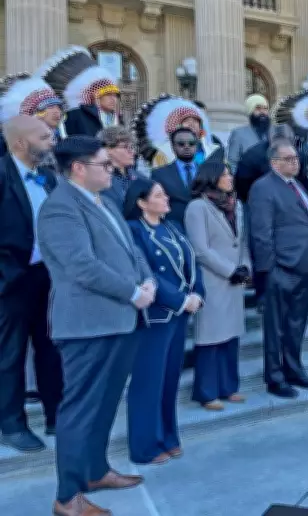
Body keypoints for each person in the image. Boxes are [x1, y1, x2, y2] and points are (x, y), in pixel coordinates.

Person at [38, 135, 154, 516]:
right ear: (78, 168)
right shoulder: (60, 208)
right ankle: (67, 496)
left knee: (105, 405)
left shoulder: (103, 200)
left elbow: (130, 248)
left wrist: (147, 280)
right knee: (80, 410)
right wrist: (132, 293)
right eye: (104, 164)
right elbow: (82, 267)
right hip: (89, 325)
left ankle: (95, 470)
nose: (112, 169)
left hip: (119, 320)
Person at [124, 179, 204, 465]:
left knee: (169, 380)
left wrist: (197, 294)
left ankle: (168, 437)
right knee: (148, 382)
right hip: (155, 315)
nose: (166, 198)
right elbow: (145, 273)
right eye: (159, 195)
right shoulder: (133, 231)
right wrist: (180, 300)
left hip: (179, 314)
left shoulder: (173, 226)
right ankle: (144, 446)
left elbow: (192, 262)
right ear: (142, 203)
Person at [0, 116, 62, 453]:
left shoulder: (49, 178)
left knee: (50, 348)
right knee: (10, 353)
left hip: (47, 276)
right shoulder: (1, 174)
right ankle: (11, 424)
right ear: (21, 143)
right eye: (44, 135)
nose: (52, 139)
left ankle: (56, 415)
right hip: (11, 280)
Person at [249, 139, 308, 398]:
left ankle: (294, 369)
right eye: (289, 159)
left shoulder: (297, 185)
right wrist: (268, 269)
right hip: (279, 269)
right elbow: (261, 233)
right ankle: (275, 377)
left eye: (296, 158)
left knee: (296, 324)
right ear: (274, 162)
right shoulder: (263, 188)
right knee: (276, 327)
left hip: (302, 266)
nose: (295, 162)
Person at [184, 161, 251, 411]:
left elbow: (241, 241)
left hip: (235, 280)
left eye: (230, 172)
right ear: (211, 178)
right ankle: (207, 392)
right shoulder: (197, 207)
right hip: (213, 279)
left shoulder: (236, 204)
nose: (230, 177)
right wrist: (230, 270)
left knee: (230, 336)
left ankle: (228, 387)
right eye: (224, 174)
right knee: (210, 337)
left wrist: (245, 267)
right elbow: (200, 249)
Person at [36, 46, 121, 136]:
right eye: (108, 95)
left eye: (115, 95)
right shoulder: (77, 115)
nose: (113, 99)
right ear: (96, 97)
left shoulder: (117, 118)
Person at [132, 93, 224, 169]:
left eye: (195, 121)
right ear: (178, 125)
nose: (191, 124)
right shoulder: (163, 153)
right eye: (186, 121)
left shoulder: (214, 150)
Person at [0, 73, 65, 160]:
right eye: (50, 107)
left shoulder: (61, 138)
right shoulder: (8, 140)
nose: (57, 112)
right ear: (35, 112)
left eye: (59, 107)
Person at [98, 126, 146, 210]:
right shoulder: (99, 179)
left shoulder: (140, 177)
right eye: (125, 147)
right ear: (108, 149)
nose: (132, 152)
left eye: (132, 147)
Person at [227, 94, 271, 174]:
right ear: (250, 111)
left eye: (265, 109)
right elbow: (232, 162)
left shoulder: (274, 132)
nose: (262, 112)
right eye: (258, 108)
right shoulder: (238, 133)